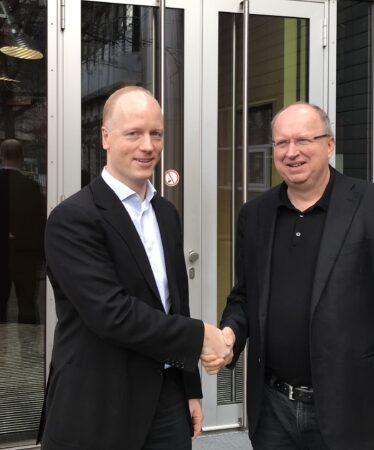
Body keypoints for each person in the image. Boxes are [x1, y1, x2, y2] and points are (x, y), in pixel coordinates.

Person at [202, 102, 374, 450]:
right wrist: (231, 332)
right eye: (282, 143)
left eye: (303, 140)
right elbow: (246, 295)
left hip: (351, 409)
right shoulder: (255, 214)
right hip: (273, 408)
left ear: (329, 144)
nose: (291, 152)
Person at [37, 86, 232, 450]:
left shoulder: (166, 213)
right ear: (105, 138)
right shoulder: (73, 218)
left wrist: (190, 389)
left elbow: (176, 304)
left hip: (167, 400)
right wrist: (201, 336)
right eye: (133, 133)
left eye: (156, 133)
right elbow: (112, 314)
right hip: (99, 403)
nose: (148, 146)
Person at [0, 138, 45, 325]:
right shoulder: (31, 187)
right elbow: (39, 223)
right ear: (21, 157)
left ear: (1, 156)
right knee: (27, 306)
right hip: (26, 256)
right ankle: (29, 342)